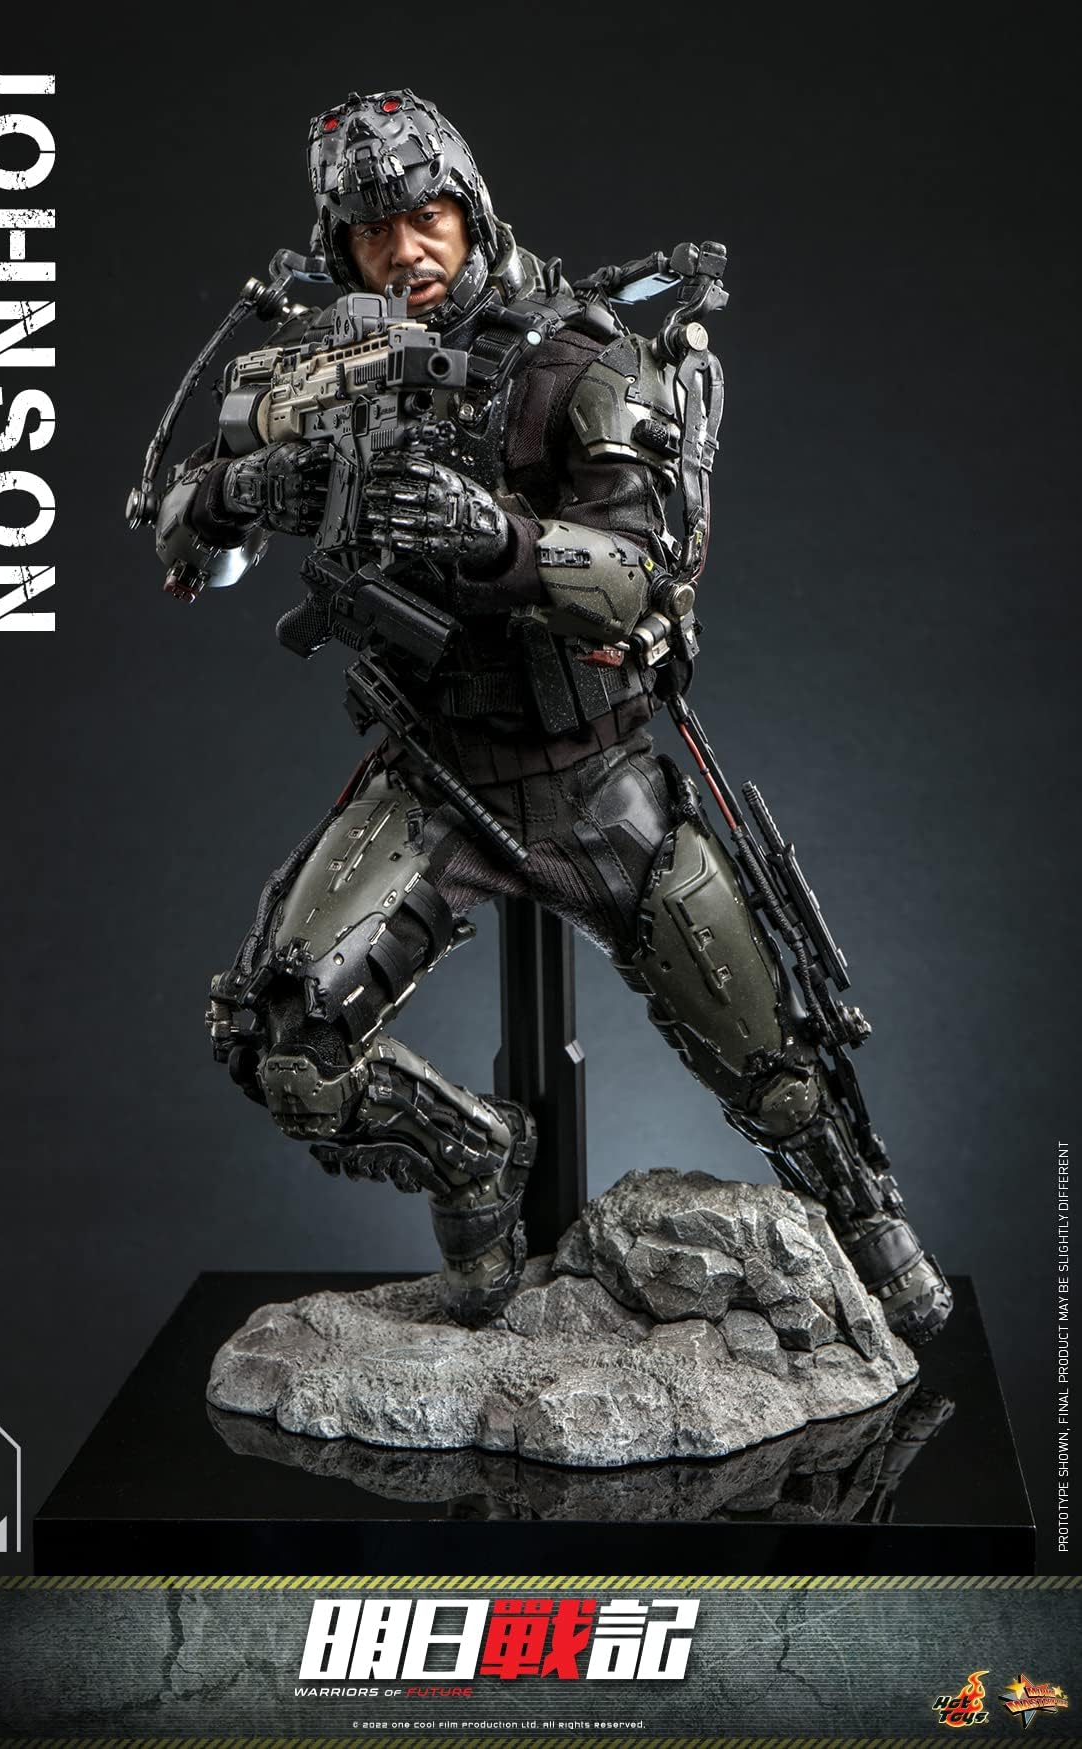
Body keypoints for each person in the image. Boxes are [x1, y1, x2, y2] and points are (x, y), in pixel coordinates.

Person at [155, 89, 951, 1344]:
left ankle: (873, 1234)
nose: (405, 252)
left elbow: (640, 576)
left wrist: (497, 538)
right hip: (437, 779)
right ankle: (474, 1158)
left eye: (425, 218)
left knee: (778, 1073)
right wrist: (252, 485)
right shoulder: (322, 369)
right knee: (284, 1046)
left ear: (468, 212)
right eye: (372, 234)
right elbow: (182, 535)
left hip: (594, 775)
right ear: (337, 249)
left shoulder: (575, 356)